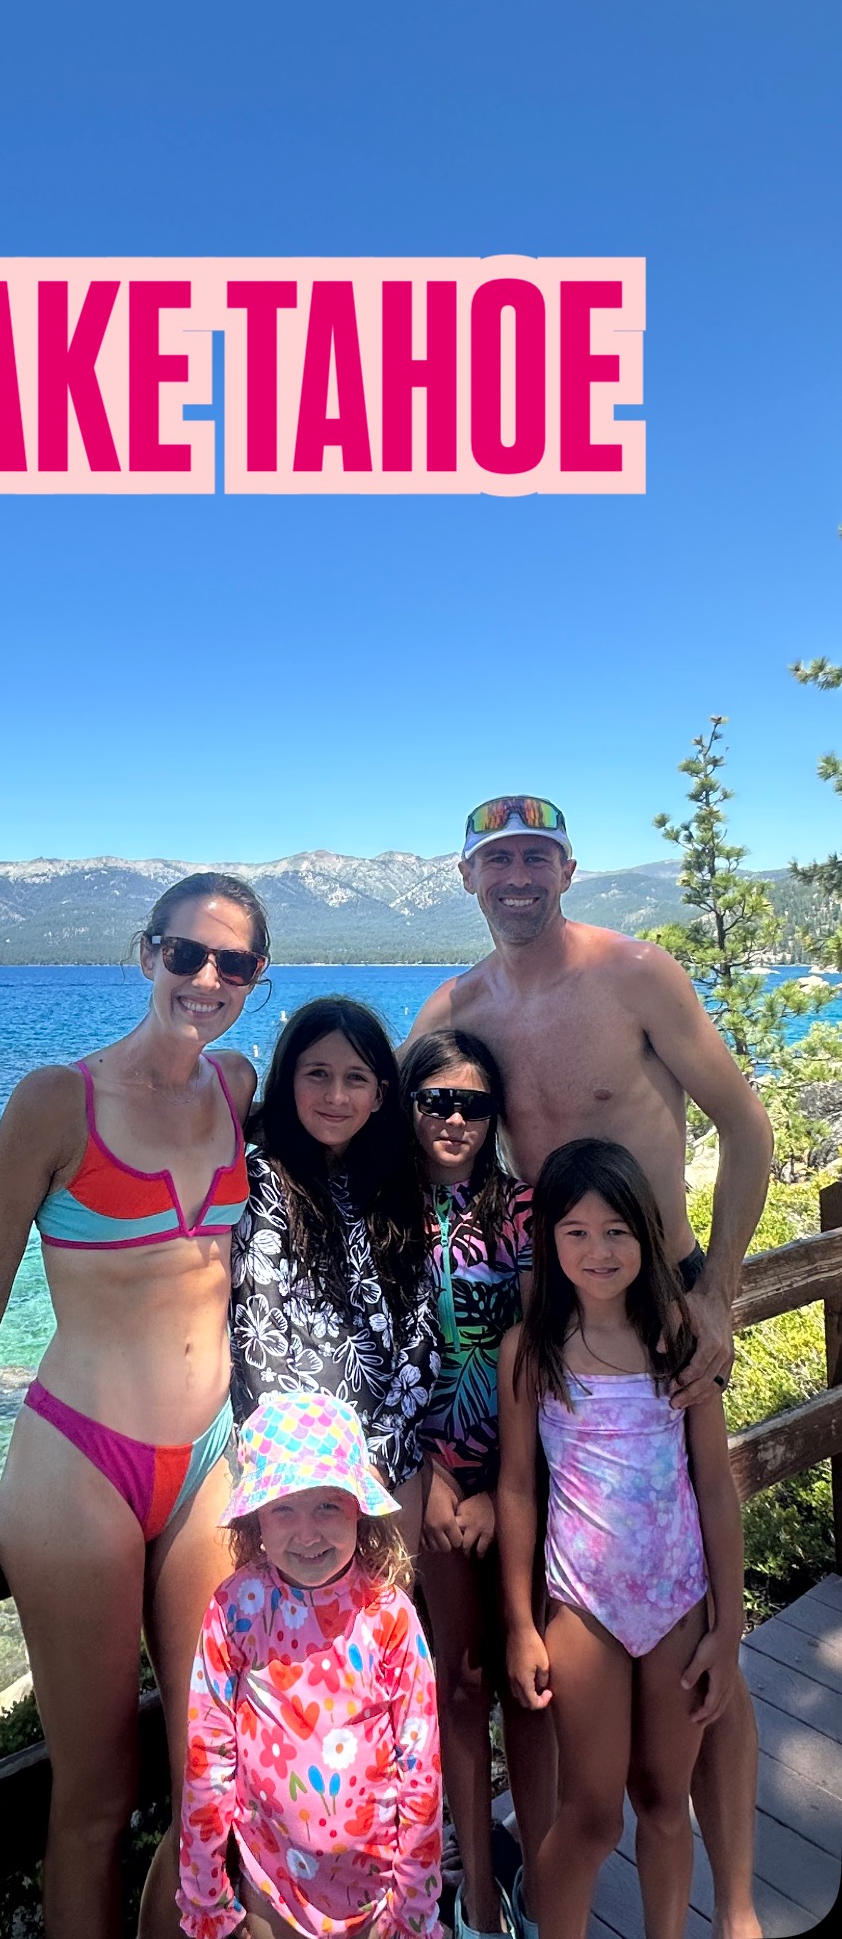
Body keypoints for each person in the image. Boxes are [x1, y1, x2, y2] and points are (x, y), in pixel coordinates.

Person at [0, 872, 267, 1939]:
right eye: (185, 952)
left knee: (215, 1783)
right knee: (94, 1799)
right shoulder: (54, 1100)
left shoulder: (240, 1085)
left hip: (212, 1450)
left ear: (256, 978)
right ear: (145, 952)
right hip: (80, 1459)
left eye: (234, 962)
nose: (205, 978)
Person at [407, 795, 771, 1939]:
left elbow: (746, 1126)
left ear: (567, 867)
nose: (517, 874)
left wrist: (716, 1290)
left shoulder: (637, 974)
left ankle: (745, 1902)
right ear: (468, 877)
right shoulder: (455, 1008)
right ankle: (562, 1861)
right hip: (553, 1354)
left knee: (709, 1625)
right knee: (577, 1617)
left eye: (535, 855)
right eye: (495, 859)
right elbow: (404, 1148)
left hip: (664, 1334)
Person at [497, 1139, 745, 1939]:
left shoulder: (680, 1342)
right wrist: (518, 1624)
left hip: (678, 1602)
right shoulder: (530, 1352)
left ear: (643, 1234)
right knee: (591, 1814)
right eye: (574, 1231)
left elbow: (713, 1485)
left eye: (615, 1231)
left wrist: (728, 1627)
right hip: (582, 1608)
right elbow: (516, 1487)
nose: (596, 1250)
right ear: (549, 1242)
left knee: (664, 1803)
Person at [177, 1388, 445, 1939]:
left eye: (327, 1503)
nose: (308, 1531)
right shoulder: (235, 1611)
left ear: (357, 1507)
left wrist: (412, 1904)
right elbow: (208, 1756)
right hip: (269, 1884)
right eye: (284, 1509)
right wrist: (208, 1899)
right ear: (257, 1520)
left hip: (377, 1895)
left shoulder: (390, 1617)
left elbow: (422, 1771)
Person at [399, 1030, 556, 1939]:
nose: (453, 1118)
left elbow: (535, 1353)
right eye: (434, 1100)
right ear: (408, 1106)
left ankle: (543, 1866)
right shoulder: (377, 1210)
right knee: (458, 1680)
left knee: (530, 1686)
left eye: (472, 1103)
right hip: (427, 1484)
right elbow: (372, 1361)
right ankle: (476, 1886)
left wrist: (505, 1487)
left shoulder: (523, 1210)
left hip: (523, 1478)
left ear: (495, 1115)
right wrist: (436, 1485)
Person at [230, 997, 439, 1554]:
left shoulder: (396, 1183)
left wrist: (383, 1454)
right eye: (317, 1074)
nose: (336, 1096)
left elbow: (421, 1329)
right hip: (297, 1480)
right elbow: (260, 1336)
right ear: (287, 1080)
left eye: (356, 1078)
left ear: (380, 1096)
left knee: (388, 1628)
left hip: (392, 1466)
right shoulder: (259, 1180)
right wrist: (322, 1472)